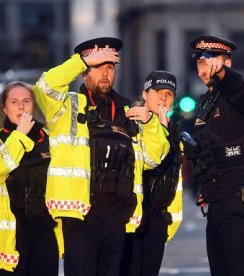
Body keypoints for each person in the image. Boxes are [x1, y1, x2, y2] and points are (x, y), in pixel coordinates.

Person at [34, 37, 169, 276]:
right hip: (80, 214)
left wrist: (150, 124)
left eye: (110, 67)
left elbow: (152, 159)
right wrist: (81, 61)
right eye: (97, 67)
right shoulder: (67, 106)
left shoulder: (128, 111)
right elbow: (45, 87)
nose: (105, 73)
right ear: (85, 72)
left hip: (117, 216)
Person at [184, 35, 244, 276]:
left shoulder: (241, 94)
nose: (205, 68)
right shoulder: (206, 103)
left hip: (241, 202)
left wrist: (223, 74)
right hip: (216, 201)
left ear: (226, 63)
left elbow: (237, 87)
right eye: (200, 63)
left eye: (211, 61)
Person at [0, 81, 59, 275]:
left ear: (34, 106)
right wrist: (19, 136)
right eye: (14, 101)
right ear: (4, 108)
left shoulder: (50, 140)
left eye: (26, 101)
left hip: (45, 234)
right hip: (11, 239)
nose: (21, 106)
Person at [120, 70, 183, 276]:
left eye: (169, 93)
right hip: (132, 213)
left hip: (158, 217)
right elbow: (149, 162)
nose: (164, 97)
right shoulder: (130, 120)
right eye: (158, 91)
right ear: (145, 94)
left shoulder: (173, 130)